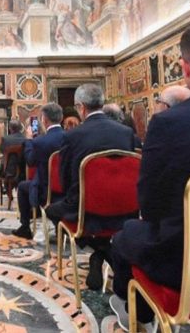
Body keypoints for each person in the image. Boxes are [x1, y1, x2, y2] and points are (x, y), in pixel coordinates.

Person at [109, 17, 190, 330]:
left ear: (184, 68)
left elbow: (150, 205)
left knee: (126, 235)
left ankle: (136, 313)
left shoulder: (170, 123)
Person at [45, 84, 136, 290]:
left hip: (85, 210)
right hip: (124, 209)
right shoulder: (125, 132)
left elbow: (65, 179)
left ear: (81, 107)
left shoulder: (72, 136)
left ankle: (100, 251)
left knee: (51, 209)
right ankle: (102, 253)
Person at [12, 104, 64, 240]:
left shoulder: (40, 141)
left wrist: (29, 141)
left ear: (44, 120)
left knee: (22, 186)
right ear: (61, 118)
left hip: (46, 191)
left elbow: (30, 161)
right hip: (68, 189)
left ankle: (25, 226)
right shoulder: (72, 138)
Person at [0, 119, 27, 187]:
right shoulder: (25, 139)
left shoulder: (5, 139)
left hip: (8, 171)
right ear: (20, 128)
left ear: (10, 128)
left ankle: (7, 188)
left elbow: (1, 151)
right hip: (23, 171)